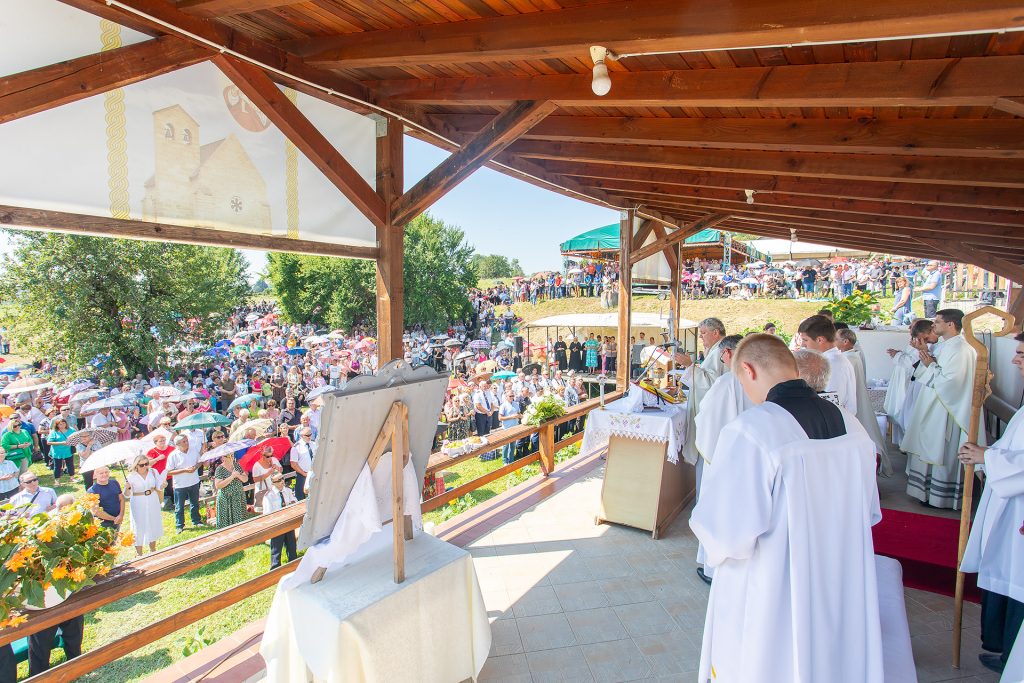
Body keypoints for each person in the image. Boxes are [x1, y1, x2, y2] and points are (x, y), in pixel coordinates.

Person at [690, 334, 883, 682]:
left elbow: (726, 533)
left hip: (775, 587)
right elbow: (868, 510)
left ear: (748, 370)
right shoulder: (851, 426)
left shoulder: (752, 430)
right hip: (842, 577)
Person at [958, 331, 1024, 675]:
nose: (1015, 360)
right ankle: (1008, 652)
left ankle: (1015, 660)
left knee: (1018, 581)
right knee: (1009, 577)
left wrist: (987, 457)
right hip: (1009, 504)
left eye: (1022, 355)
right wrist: (985, 455)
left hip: (1019, 510)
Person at [901, 308, 977, 509]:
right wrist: (924, 353)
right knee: (928, 445)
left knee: (940, 450)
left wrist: (931, 364)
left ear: (951, 324)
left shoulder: (961, 349)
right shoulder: (945, 345)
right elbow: (928, 368)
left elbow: (951, 383)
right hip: (933, 404)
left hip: (946, 409)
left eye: (937, 322)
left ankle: (941, 498)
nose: (933, 325)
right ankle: (926, 493)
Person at [692, 334, 751, 584]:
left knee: (717, 510)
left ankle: (712, 568)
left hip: (721, 455)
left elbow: (707, 417)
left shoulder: (727, 382)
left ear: (726, 354)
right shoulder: (754, 378)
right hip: (747, 456)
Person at [27, 494, 85, 676]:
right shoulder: (44, 528)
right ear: (58, 509)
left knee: (74, 632)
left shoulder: (79, 526)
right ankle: (38, 676)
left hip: (68, 591)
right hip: (44, 595)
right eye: (64, 509)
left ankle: (76, 666)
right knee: (41, 640)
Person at [836, 328, 891, 474]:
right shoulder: (852, 356)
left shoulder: (849, 359)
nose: (834, 342)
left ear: (845, 341)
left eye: (836, 339)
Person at [676, 317, 727, 465]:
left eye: (703, 333)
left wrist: (689, 366)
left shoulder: (719, 351)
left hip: (713, 411)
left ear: (715, 332)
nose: (700, 337)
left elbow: (710, 383)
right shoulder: (715, 349)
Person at [884, 319, 936, 445]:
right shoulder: (917, 341)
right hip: (908, 381)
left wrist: (898, 355)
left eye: (912, 326)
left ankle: (908, 443)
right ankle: (903, 443)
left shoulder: (927, 344)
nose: (909, 328)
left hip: (913, 382)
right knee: (904, 413)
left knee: (909, 414)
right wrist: (899, 353)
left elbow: (912, 363)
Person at [797, 315, 857, 413]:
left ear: (820, 340)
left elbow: (830, 403)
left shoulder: (832, 363)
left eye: (805, 340)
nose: (803, 345)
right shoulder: (832, 360)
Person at [126, 454, 165, 554]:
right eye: (141, 465)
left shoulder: (153, 472)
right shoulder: (131, 476)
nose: (144, 466)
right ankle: (139, 554)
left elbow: (159, 485)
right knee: (138, 526)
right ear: (136, 465)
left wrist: (162, 485)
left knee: (152, 522)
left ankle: (153, 550)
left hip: (152, 499)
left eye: (146, 464)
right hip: (138, 501)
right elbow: (127, 495)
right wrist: (127, 488)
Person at [167, 433, 203, 533]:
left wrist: (195, 467)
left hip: (194, 481)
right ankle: (179, 525)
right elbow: (169, 472)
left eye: (187, 440)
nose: (186, 443)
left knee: (195, 503)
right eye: (184, 441)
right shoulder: (173, 455)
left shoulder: (193, 451)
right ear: (177, 444)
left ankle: (196, 520)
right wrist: (184, 470)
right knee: (179, 506)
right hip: (180, 484)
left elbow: (200, 461)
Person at [263, 473, 298, 569]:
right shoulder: (269, 496)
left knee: (292, 546)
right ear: (273, 483)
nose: (282, 481)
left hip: (288, 522)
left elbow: (295, 501)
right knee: (276, 549)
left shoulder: (288, 491)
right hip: (277, 525)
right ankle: (275, 569)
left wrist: (292, 503)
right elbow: (267, 514)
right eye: (279, 480)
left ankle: (293, 566)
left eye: (282, 478)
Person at [213, 451, 248, 528]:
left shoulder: (237, 466)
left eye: (232, 455)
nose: (231, 457)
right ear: (223, 457)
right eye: (228, 456)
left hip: (238, 496)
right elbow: (218, 485)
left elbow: (245, 479)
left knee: (240, 521)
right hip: (226, 498)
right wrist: (232, 477)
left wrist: (238, 475)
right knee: (226, 522)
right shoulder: (219, 469)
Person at [88, 465, 124, 530]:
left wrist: (121, 515)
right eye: (101, 473)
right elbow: (96, 511)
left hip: (118, 520)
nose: (104, 474)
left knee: (117, 536)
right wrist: (115, 519)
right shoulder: (92, 491)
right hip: (103, 524)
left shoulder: (114, 483)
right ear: (95, 475)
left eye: (106, 472)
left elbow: (121, 499)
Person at [46, 416, 76, 482]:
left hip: (68, 450)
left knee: (70, 465)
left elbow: (76, 438)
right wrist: (61, 443)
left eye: (64, 423)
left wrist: (71, 442)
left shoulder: (71, 430)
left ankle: (72, 478)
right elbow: (48, 442)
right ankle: (57, 480)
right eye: (60, 424)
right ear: (57, 425)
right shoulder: (54, 432)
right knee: (57, 466)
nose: (62, 425)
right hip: (57, 451)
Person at [289, 427, 315, 500]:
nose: (309, 437)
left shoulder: (314, 444)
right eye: (307, 435)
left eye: (310, 435)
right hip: (303, 475)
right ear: (301, 436)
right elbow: (293, 464)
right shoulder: (296, 447)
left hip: (314, 474)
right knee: (301, 497)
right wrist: (304, 474)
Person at [497, 389, 521, 465]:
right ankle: (505, 461)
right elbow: (500, 418)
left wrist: (520, 416)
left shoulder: (516, 404)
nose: (512, 397)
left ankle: (511, 460)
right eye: (510, 396)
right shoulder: (503, 405)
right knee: (506, 445)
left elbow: (519, 413)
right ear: (506, 396)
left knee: (513, 445)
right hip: (506, 428)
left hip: (515, 427)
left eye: (513, 396)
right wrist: (511, 417)